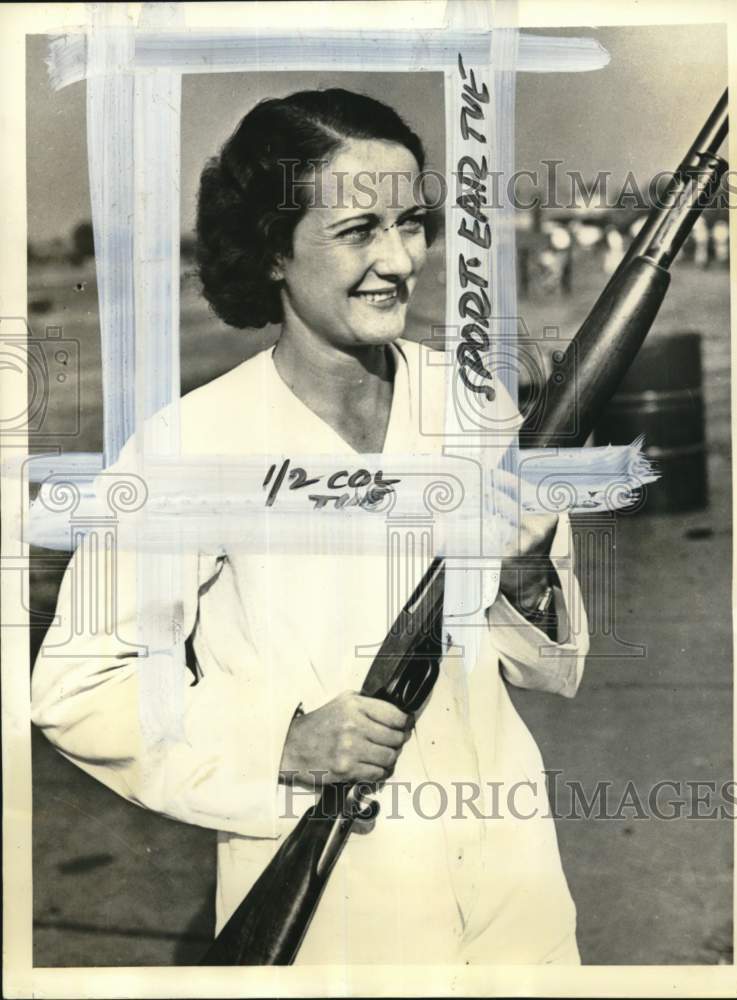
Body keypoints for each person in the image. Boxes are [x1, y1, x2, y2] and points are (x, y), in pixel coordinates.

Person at [32, 88, 589, 965]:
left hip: (513, 896)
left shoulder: (472, 406)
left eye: (411, 223)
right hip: (337, 926)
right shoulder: (190, 445)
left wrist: (524, 576)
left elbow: (549, 666)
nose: (401, 259)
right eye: (358, 230)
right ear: (273, 253)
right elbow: (79, 684)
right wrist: (282, 741)